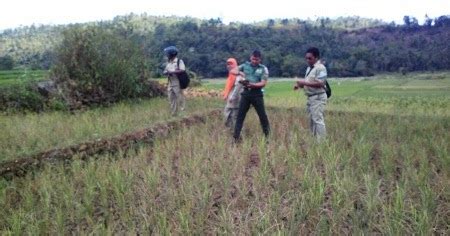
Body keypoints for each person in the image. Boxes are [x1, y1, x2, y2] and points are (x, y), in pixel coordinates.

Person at [233, 50, 270, 142]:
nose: (254, 61)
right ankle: (236, 138)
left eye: (256, 60)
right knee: (240, 116)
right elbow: (233, 70)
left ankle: (267, 137)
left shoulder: (263, 69)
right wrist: (240, 73)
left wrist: (253, 85)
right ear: (251, 57)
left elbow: (263, 83)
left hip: (257, 94)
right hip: (246, 93)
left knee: (262, 116)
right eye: (253, 59)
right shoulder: (245, 65)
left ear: (260, 59)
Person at [294, 47, 328, 140]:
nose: (307, 60)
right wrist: (300, 85)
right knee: (312, 120)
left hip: (318, 97)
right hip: (311, 97)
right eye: (306, 58)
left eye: (310, 58)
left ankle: (321, 142)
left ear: (316, 58)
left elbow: (321, 83)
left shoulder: (321, 68)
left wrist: (303, 83)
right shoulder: (309, 68)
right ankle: (314, 141)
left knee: (318, 120)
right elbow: (308, 82)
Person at [163, 46, 186, 116]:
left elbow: (182, 70)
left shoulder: (179, 61)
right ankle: (174, 113)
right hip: (170, 82)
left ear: (171, 54)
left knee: (180, 97)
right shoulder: (169, 63)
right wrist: (166, 72)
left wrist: (172, 72)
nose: (167, 55)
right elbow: (165, 70)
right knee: (171, 98)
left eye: (168, 54)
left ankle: (183, 112)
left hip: (177, 82)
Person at [223, 58, 245, 130]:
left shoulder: (239, 76)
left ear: (235, 65)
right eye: (228, 64)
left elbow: (237, 89)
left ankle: (238, 134)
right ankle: (230, 132)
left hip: (236, 101)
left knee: (235, 118)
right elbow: (228, 88)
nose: (229, 66)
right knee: (227, 117)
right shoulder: (230, 76)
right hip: (229, 101)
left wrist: (232, 97)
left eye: (231, 64)